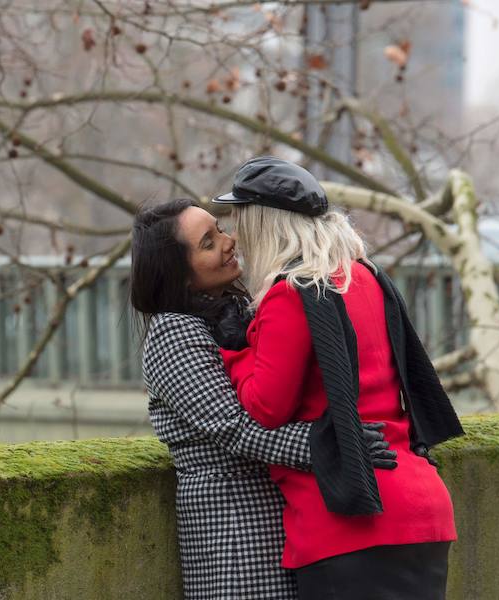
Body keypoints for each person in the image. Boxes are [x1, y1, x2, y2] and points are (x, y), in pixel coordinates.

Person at [213, 157, 465, 600]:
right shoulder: (367, 277)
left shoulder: (291, 294)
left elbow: (264, 407)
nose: (236, 237)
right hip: (422, 505)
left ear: (263, 226)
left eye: (240, 221)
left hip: (349, 521)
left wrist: (234, 351)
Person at [130, 198, 398, 599]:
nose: (229, 240)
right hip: (236, 536)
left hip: (285, 522)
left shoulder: (239, 312)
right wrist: (335, 444)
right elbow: (234, 427)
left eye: (219, 229)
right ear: (178, 275)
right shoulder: (173, 333)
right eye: (208, 242)